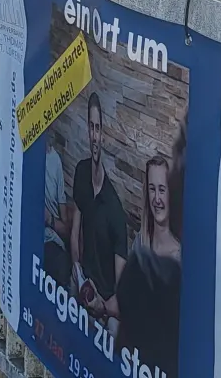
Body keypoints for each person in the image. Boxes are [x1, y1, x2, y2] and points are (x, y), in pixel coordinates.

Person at [71, 93, 131, 337]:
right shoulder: (81, 172)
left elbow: (123, 294)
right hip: (82, 281)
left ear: (104, 135)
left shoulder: (115, 211)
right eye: (91, 127)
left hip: (105, 304)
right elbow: (75, 235)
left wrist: (101, 306)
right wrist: (78, 274)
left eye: (99, 129)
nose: (94, 136)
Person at [117, 155, 182, 376]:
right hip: (132, 361)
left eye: (162, 190)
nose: (157, 198)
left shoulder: (181, 260)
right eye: (152, 189)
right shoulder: (139, 246)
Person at [44, 132, 74, 288]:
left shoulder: (55, 160)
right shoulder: (26, 158)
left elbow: (65, 229)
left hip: (51, 239)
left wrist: (50, 220)